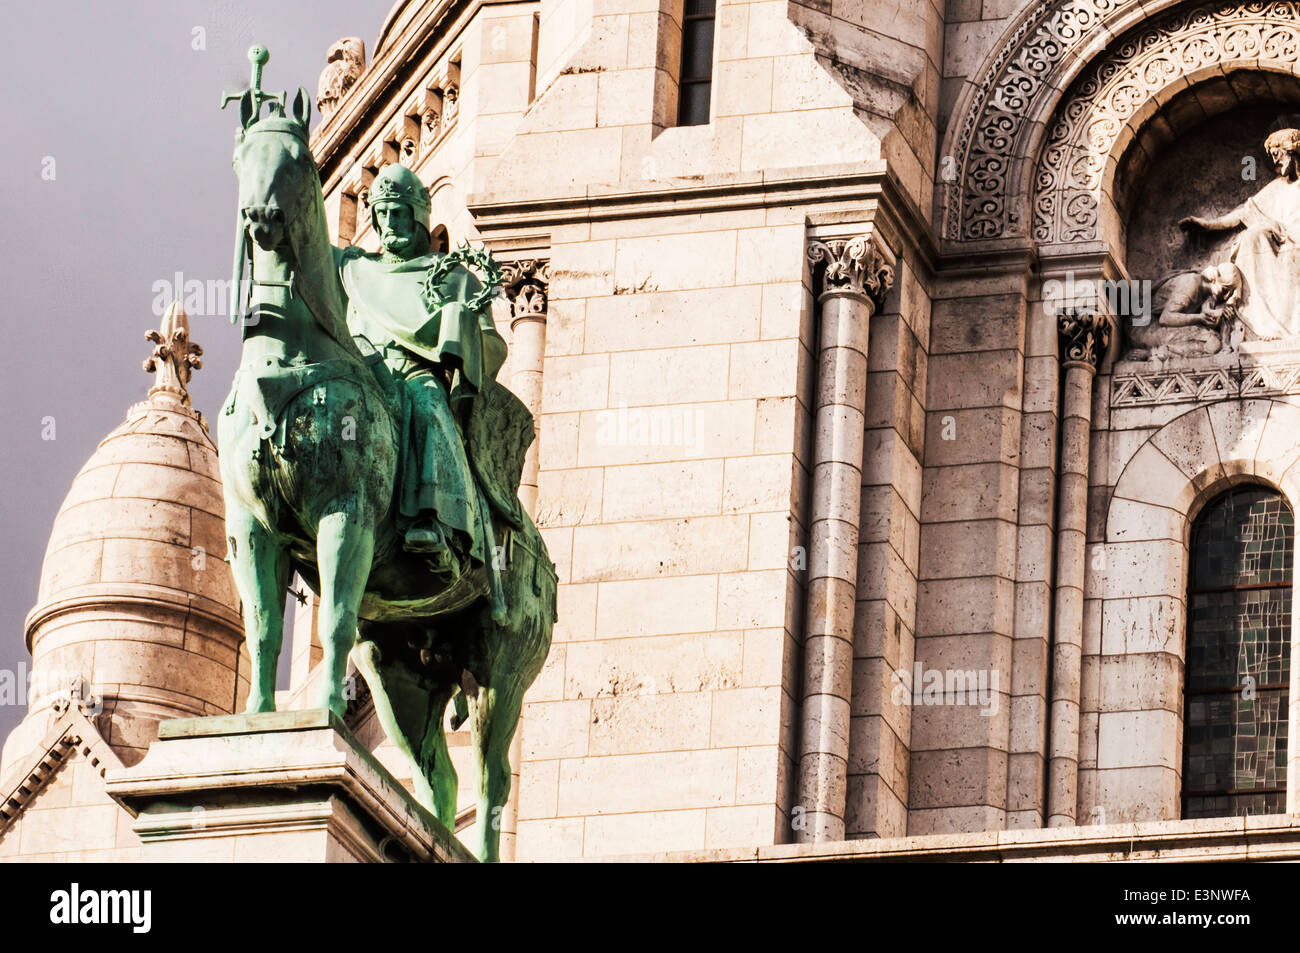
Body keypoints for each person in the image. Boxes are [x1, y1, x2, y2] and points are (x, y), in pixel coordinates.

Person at [337, 163, 506, 574]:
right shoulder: (355, 271)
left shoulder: (452, 278)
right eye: (383, 213)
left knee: (428, 405)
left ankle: (435, 521)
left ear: (419, 218)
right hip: (359, 374)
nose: (391, 222)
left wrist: (460, 325)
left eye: (399, 212)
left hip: (412, 376)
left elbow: (493, 348)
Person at [1180, 128, 1300, 339]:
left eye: (1277, 153)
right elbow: (1245, 213)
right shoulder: (1278, 187)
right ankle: (1263, 324)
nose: (1274, 161)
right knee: (1254, 235)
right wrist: (1208, 225)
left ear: (1291, 150)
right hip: (1282, 249)